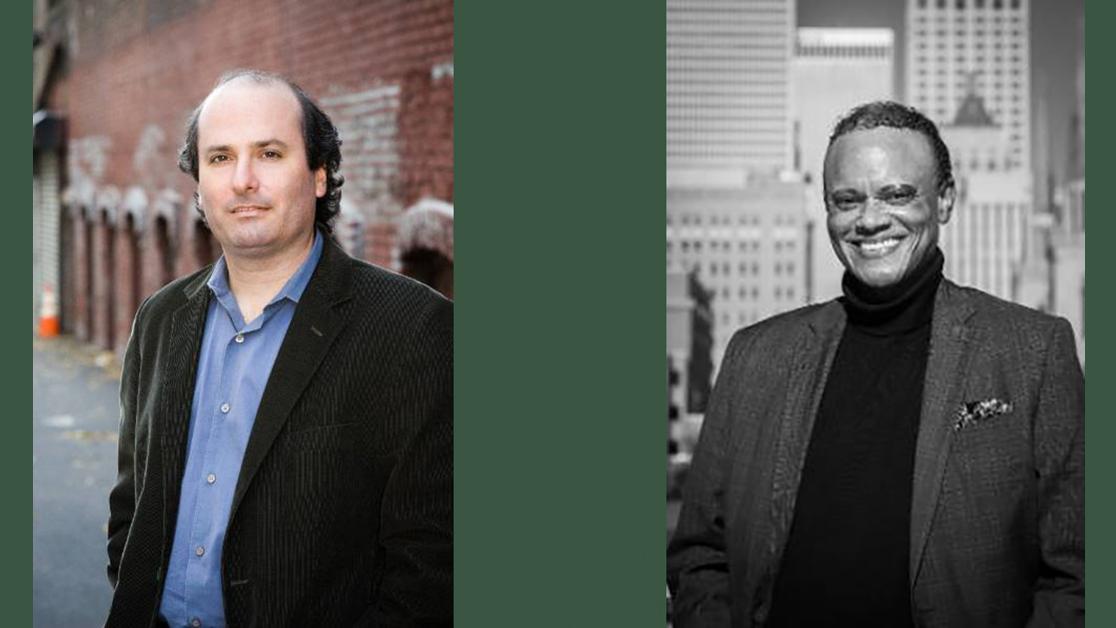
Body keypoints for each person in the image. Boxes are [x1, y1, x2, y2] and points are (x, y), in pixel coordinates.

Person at [667, 101, 1083, 627]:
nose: (870, 219)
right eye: (847, 200)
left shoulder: (1033, 350)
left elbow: (1076, 573)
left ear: (945, 200)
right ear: (828, 212)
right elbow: (699, 555)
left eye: (897, 194)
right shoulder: (755, 356)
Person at [106, 69, 453, 627]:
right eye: (219, 159)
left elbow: (433, 566)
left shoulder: (413, 329)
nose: (243, 180)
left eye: (269, 153)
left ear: (319, 175)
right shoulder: (161, 319)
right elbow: (133, 502)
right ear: (198, 187)